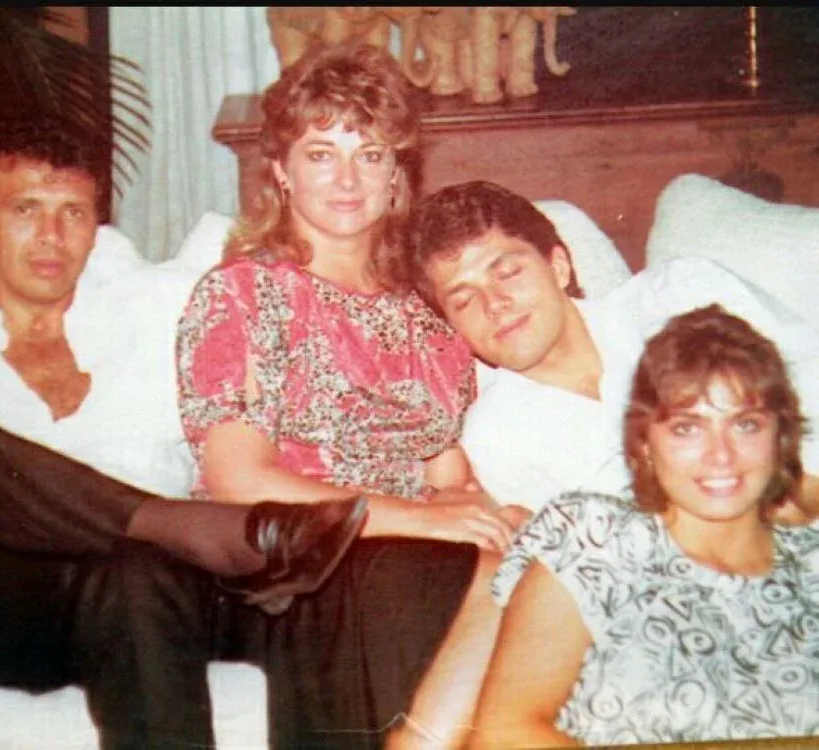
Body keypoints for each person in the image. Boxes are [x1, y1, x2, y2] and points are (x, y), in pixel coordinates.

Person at [0, 112, 369, 749]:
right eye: (25, 210)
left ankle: (174, 534)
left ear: (96, 229)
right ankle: (188, 527)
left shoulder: (151, 310)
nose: (50, 236)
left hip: (131, 599)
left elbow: (293, 279)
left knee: (138, 568)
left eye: (73, 213)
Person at [176, 41, 528, 750]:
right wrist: (421, 521)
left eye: (369, 155)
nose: (346, 180)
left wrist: (492, 513)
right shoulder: (243, 294)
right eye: (320, 154)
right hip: (285, 565)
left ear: (397, 173)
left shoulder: (425, 311)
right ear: (281, 170)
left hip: (404, 555)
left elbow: (447, 474)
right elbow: (238, 480)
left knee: (529, 571)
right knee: (456, 579)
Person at [470, 304, 819, 746]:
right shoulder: (594, 542)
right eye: (687, 429)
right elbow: (504, 734)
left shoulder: (809, 567)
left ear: (780, 437)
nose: (721, 456)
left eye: (745, 425)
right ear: (645, 444)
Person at [406, 179, 819, 521]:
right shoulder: (496, 438)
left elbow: (810, 374)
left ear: (559, 267)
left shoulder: (681, 294)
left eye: (509, 273)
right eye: (464, 300)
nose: (495, 304)